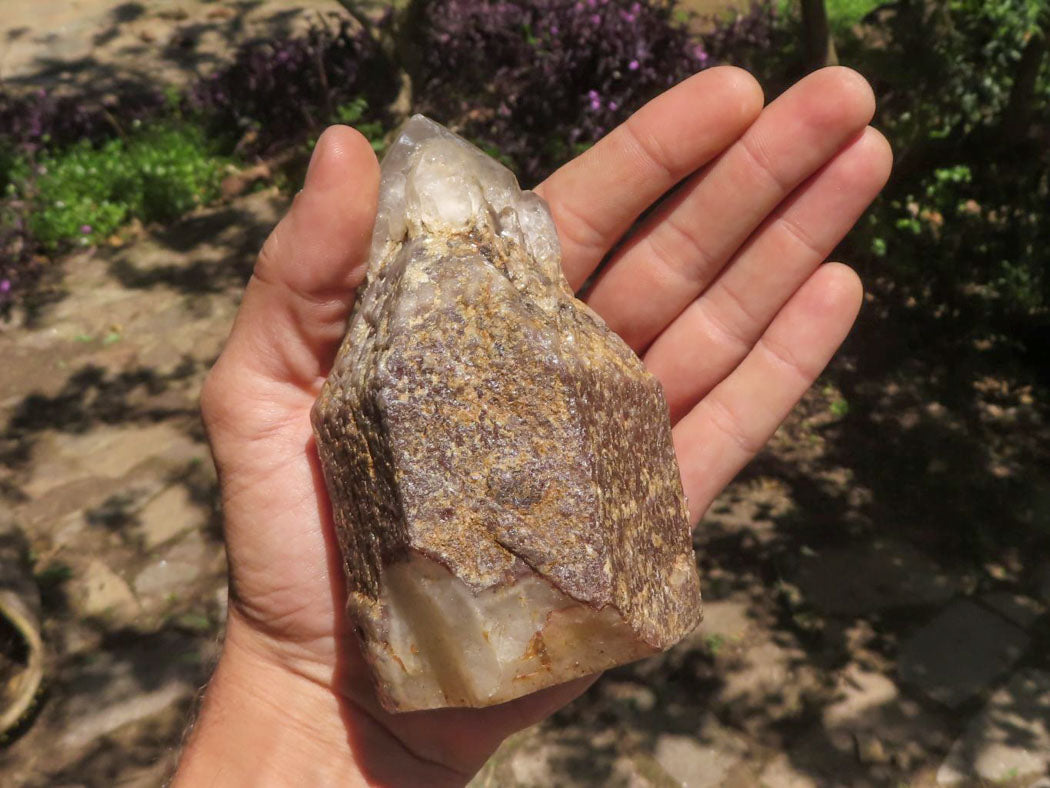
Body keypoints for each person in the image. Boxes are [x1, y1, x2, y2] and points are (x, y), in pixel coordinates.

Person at [175, 66, 891, 785]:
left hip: (534, 626)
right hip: (436, 658)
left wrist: (293, 700)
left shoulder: (484, 324)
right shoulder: (402, 340)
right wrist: (297, 681)